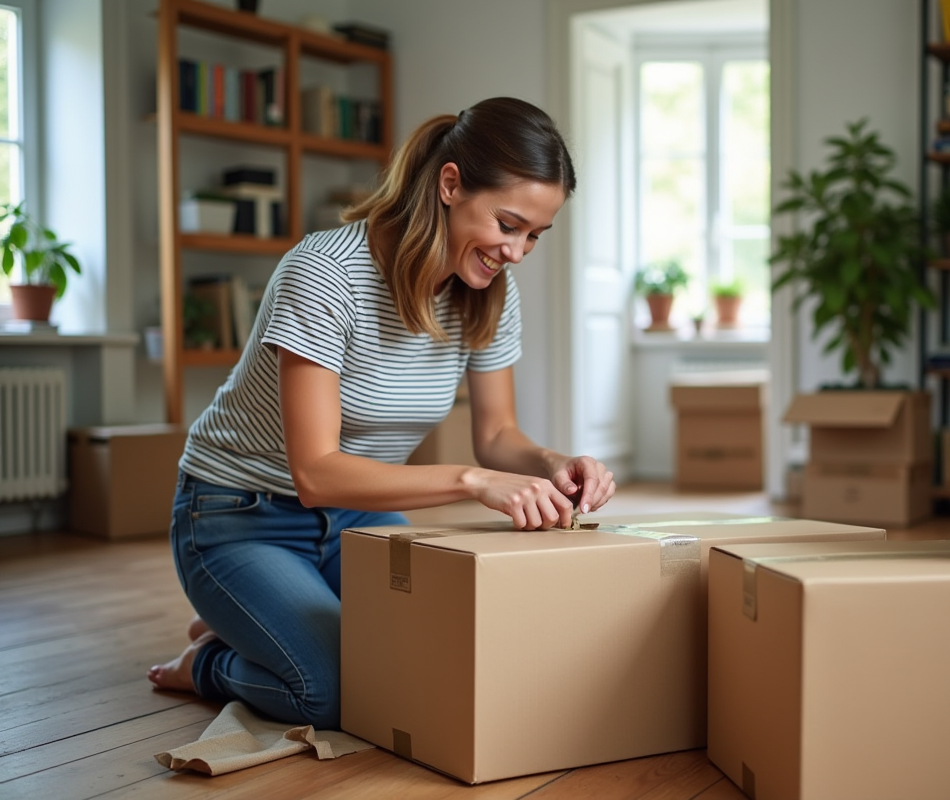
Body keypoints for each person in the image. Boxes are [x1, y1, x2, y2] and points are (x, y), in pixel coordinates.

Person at [146, 97, 617, 729]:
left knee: (444, 649)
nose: (516, 252)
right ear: (450, 185)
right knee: (334, 692)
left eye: (534, 234)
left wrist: (554, 462)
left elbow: (497, 434)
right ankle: (207, 661)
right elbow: (316, 474)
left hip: (358, 516)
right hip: (239, 514)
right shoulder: (325, 273)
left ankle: (259, 617)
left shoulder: (487, 297)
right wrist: (472, 481)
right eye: (508, 224)